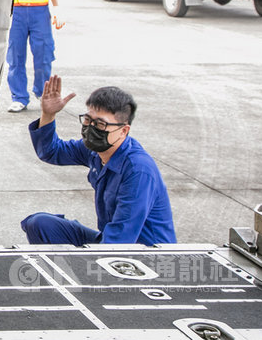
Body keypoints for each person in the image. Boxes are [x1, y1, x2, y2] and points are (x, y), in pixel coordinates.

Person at [21, 76, 176, 245]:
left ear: (124, 131)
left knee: (102, 253)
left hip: (144, 255)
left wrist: (91, 263)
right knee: (40, 224)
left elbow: (120, 239)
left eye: (101, 125)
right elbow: (51, 152)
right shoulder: (95, 150)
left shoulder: (138, 171)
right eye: (88, 120)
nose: (91, 128)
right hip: (110, 241)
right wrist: (48, 115)